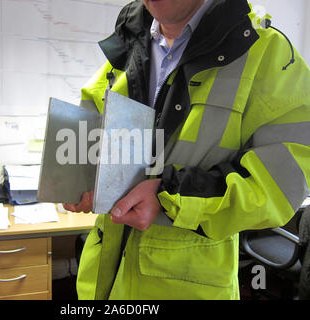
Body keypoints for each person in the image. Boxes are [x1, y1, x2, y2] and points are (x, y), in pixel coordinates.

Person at [64, 0, 310, 300]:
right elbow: (94, 118)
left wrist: (168, 196)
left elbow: (281, 183)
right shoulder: (132, 38)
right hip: (105, 280)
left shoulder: (268, 54)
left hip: (187, 286)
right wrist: (83, 176)